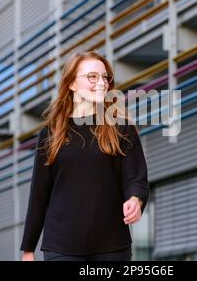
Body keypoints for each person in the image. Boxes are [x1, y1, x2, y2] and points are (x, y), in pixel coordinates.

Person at [20, 51, 149, 261]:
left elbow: (136, 178)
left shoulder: (121, 128)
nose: (101, 83)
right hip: (61, 246)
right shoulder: (51, 133)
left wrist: (135, 200)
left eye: (105, 77)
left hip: (111, 246)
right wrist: (28, 249)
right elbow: (39, 195)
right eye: (92, 77)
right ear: (71, 84)